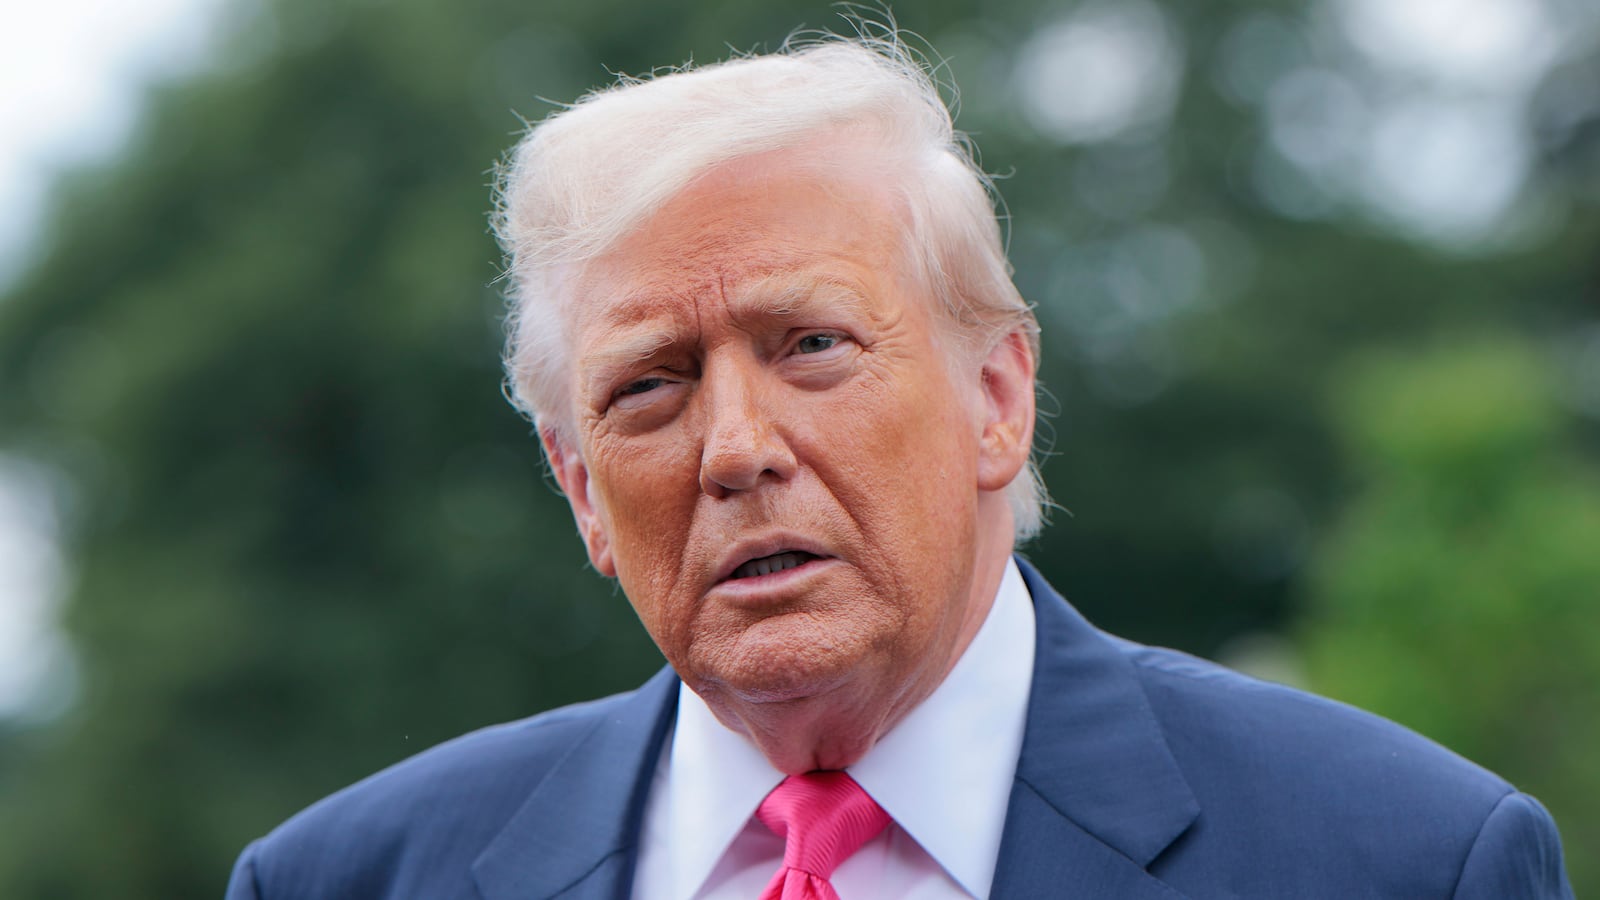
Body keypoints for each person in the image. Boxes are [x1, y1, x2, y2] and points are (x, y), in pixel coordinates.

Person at [225, 33, 1573, 900]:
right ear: (580, 488)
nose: (737, 448)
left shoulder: (1401, 860)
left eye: (812, 345)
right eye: (650, 386)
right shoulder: (348, 879)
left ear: (998, 397)